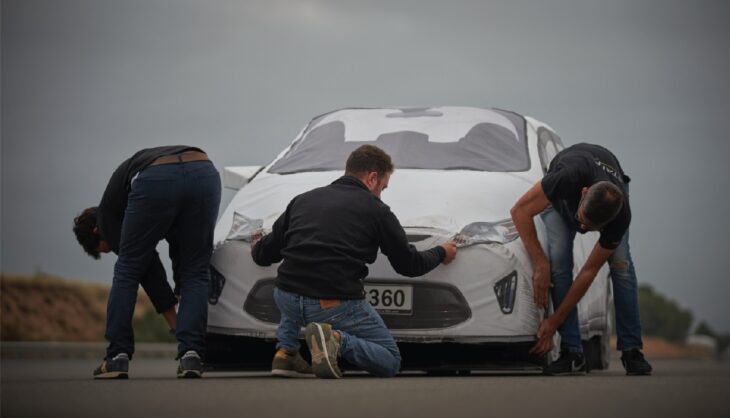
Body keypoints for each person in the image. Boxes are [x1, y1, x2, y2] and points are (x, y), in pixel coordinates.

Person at [251, 144, 457, 378]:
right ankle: (336, 341)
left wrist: (255, 244)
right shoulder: (376, 210)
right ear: (372, 178)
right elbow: (409, 265)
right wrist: (441, 252)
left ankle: (286, 354)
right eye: (383, 187)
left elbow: (263, 255)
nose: (381, 194)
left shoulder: (303, 200)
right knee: (390, 360)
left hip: (285, 297)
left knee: (300, 272)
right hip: (330, 305)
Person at [73, 146, 221, 379]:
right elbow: (178, 249)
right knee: (195, 270)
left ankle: (116, 357)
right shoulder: (123, 195)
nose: (115, 249)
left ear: (96, 231)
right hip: (203, 172)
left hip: (157, 178)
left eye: (107, 247)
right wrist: (179, 308)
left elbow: (147, 269)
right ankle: (191, 355)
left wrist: (174, 320)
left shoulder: (106, 217)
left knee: (128, 268)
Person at [510, 143, 652, 376]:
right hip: (563, 198)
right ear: (584, 193)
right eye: (582, 219)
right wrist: (540, 263)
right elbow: (519, 211)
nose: (583, 227)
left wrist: (554, 320)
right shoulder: (564, 179)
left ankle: (632, 350)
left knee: (621, 266)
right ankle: (571, 352)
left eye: (591, 227)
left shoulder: (620, 216)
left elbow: (588, 271)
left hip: (611, 187)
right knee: (559, 264)